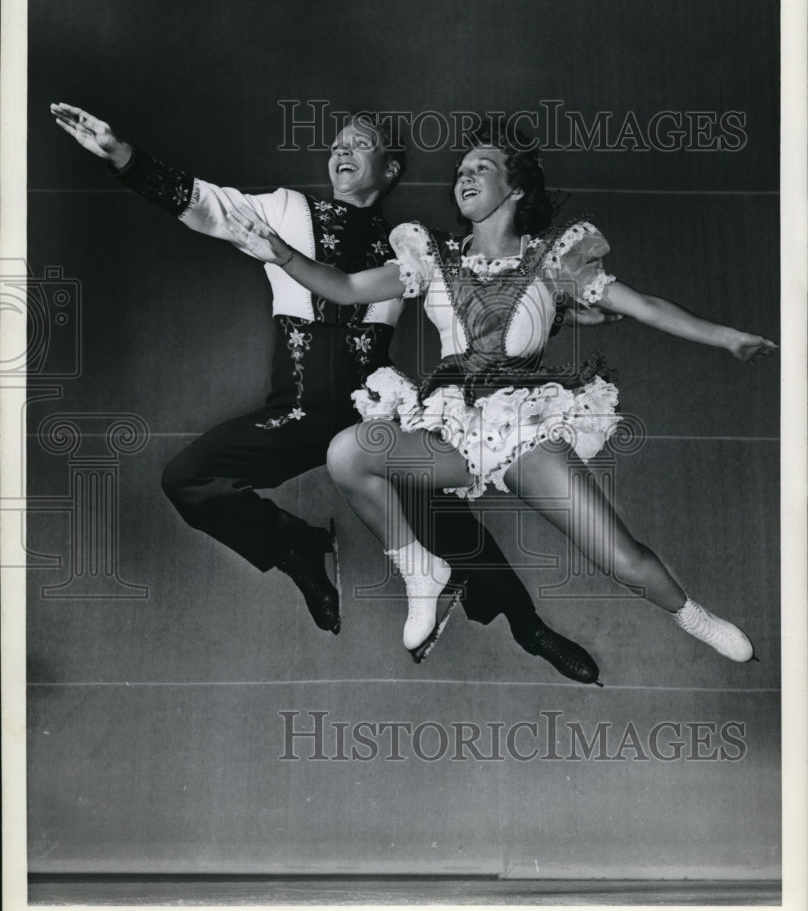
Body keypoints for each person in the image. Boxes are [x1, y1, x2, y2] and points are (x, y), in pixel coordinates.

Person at [50, 102, 610, 682]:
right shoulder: (287, 210)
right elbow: (203, 204)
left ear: (391, 168)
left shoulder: (418, 248)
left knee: (443, 521)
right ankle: (298, 549)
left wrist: (570, 309)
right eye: (336, 143)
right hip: (297, 411)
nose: (340, 151)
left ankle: (526, 624)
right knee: (187, 477)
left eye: (359, 144)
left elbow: (496, 297)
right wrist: (123, 155)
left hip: (373, 412)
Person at [225, 121, 777, 662]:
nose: (464, 177)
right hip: (452, 428)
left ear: (514, 187)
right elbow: (345, 289)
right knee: (348, 451)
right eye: (461, 170)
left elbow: (648, 306)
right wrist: (282, 252)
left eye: (480, 168)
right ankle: (421, 572)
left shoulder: (556, 262)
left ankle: (693, 616)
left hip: (525, 428)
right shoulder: (433, 257)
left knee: (620, 557)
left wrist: (729, 338)